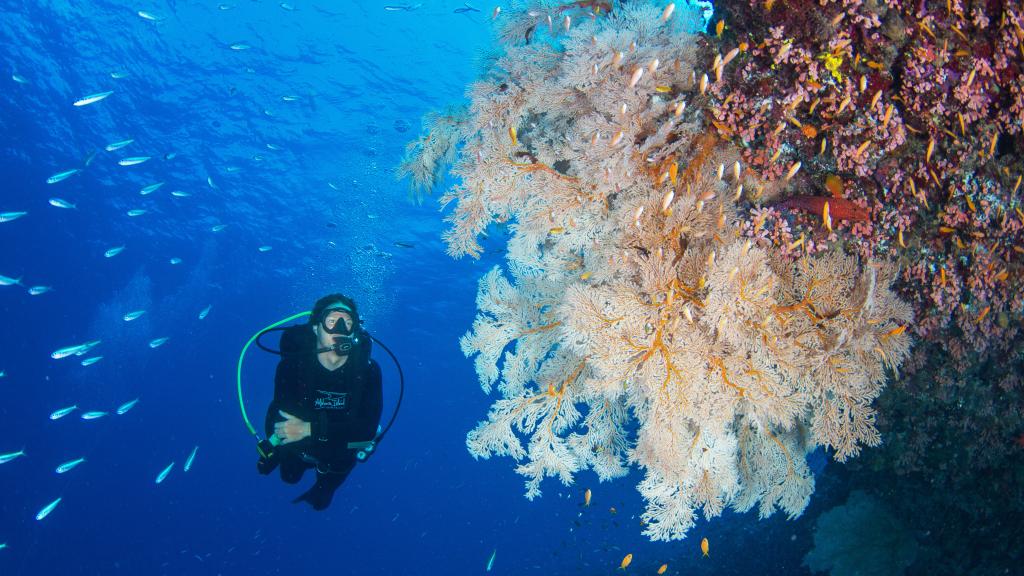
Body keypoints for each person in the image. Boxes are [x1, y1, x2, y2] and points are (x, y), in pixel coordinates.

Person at [256, 294, 383, 510]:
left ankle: (323, 487)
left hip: (339, 453)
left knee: (323, 497)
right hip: (306, 446)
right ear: (316, 328)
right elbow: (281, 418)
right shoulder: (292, 367)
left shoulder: (368, 372)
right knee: (289, 477)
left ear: (355, 332)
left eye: (348, 322)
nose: (341, 328)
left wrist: (308, 428)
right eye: (332, 321)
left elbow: (367, 430)